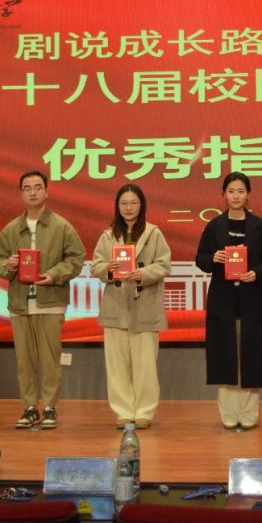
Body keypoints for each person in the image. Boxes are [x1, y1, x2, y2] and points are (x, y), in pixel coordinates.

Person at [0, 171, 85, 430]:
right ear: (21, 193)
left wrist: (54, 274)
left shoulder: (61, 226)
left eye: (37, 187)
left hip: (51, 301)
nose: (32, 192)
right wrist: (9, 265)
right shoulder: (12, 228)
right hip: (20, 304)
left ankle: (50, 406)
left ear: (46, 191)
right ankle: (30, 406)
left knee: (50, 358)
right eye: (27, 188)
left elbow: (76, 258)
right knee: (25, 359)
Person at [195, 172, 262, 429]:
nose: (236, 196)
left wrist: (257, 273)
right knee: (225, 351)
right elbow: (201, 259)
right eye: (231, 191)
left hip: (253, 296)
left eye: (241, 191)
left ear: (248, 194)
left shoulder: (260, 226)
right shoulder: (214, 226)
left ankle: (249, 411)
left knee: (253, 351)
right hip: (223, 297)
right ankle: (229, 412)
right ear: (223, 195)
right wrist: (213, 259)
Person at [91, 184, 172, 430]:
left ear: (142, 205)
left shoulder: (153, 233)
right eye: (124, 203)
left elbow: (164, 264)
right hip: (116, 306)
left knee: (145, 364)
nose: (128, 207)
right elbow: (96, 266)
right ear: (117, 206)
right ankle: (123, 411)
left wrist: (143, 273)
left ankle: (144, 411)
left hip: (144, 305)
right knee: (117, 365)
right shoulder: (107, 236)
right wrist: (108, 269)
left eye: (133, 202)